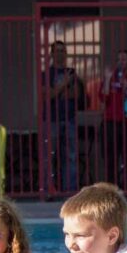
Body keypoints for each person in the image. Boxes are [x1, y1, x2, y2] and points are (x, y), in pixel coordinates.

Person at [43, 40, 85, 193]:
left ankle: (70, 190)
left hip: (69, 119)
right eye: (57, 51)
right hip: (51, 119)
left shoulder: (72, 73)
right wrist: (64, 85)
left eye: (63, 51)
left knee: (71, 156)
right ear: (52, 54)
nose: (60, 54)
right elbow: (48, 95)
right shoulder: (46, 74)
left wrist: (58, 91)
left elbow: (76, 94)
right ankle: (48, 189)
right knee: (49, 157)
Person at [100, 49, 127, 184]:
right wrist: (107, 79)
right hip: (111, 122)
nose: (121, 62)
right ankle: (112, 187)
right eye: (118, 59)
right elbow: (103, 98)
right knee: (110, 157)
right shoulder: (110, 77)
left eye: (124, 59)